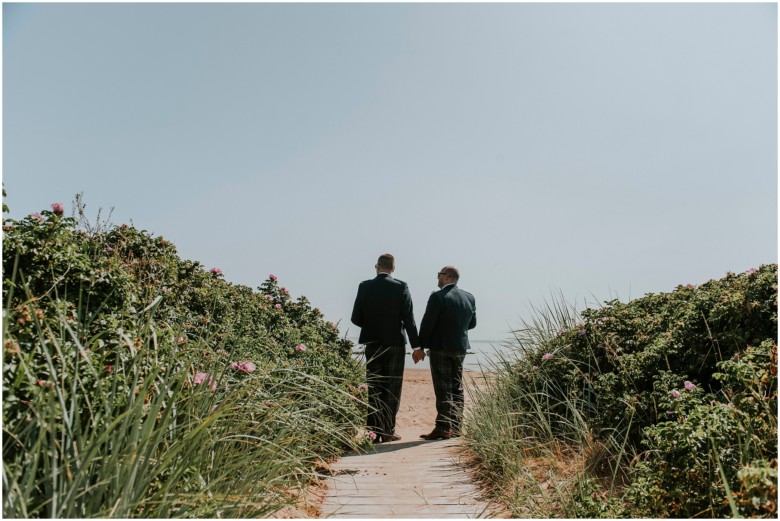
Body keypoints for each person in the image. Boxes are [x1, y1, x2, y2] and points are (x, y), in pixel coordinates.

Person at [351, 253, 421, 443]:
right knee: (392, 388)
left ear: (377, 266)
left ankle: (373, 432)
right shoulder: (401, 287)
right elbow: (409, 319)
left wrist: (371, 325)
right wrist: (417, 346)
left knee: (374, 387)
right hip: (394, 344)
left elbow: (355, 318)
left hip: (372, 343)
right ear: (393, 268)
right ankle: (388, 430)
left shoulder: (364, 287)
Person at [415, 265, 477, 440]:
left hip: (441, 347)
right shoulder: (469, 297)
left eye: (439, 275)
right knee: (456, 388)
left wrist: (421, 347)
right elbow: (472, 324)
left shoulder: (438, 297)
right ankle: (457, 427)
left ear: (448, 276)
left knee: (443, 389)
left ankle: (443, 427)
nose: (437, 278)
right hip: (460, 347)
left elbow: (427, 324)